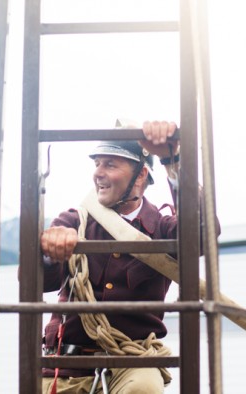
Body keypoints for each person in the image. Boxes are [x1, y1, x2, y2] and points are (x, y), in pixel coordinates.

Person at [40, 120, 214, 394]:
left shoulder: (163, 229)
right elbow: (37, 282)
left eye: (110, 164)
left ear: (141, 175)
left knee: (142, 389)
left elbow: (202, 234)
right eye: (97, 163)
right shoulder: (74, 221)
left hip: (132, 362)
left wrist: (172, 160)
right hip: (67, 365)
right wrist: (51, 251)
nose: (98, 173)